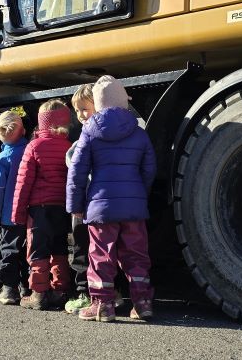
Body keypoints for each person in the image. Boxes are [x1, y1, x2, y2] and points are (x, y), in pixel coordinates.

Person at [67, 75, 157, 322]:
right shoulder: (139, 133)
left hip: (101, 207)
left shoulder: (89, 132)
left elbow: (77, 171)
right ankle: (142, 303)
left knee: (101, 255)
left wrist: (75, 205)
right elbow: (149, 169)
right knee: (137, 255)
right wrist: (138, 194)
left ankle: (103, 305)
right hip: (134, 207)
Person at [11, 99, 73, 310]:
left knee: (37, 251)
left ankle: (38, 294)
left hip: (39, 209)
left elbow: (23, 182)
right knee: (60, 250)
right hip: (62, 208)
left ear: (42, 122)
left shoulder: (34, 146)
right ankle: (59, 290)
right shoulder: (69, 146)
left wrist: (18, 214)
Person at [0, 110, 30, 305]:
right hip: (29, 213)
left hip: (8, 216)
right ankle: (28, 286)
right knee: (29, 250)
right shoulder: (30, 152)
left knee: (9, 250)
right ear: (24, 130)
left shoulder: (2, 159)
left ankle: (9, 288)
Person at [63, 84, 95, 314]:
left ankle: (85, 292)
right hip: (93, 200)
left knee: (82, 246)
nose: (80, 114)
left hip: (85, 201)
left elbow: (75, 167)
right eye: (78, 110)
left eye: (85, 108)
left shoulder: (88, 137)